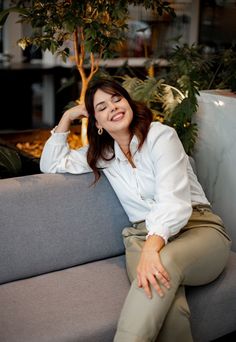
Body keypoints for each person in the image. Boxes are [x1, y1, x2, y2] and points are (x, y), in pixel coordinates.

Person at [40, 78, 231, 342]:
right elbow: (51, 163)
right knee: (169, 306)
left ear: (128, 102)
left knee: (162, 265)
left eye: (117, 99)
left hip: (198, 228)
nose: (113, 108)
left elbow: (174, 202)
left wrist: (153, 249)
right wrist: (68, 116)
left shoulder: (161, 136)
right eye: (102, 107)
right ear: (97, 123)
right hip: (140, 238)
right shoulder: (103, 154)